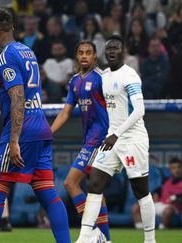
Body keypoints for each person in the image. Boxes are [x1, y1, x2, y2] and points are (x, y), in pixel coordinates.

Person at [0, 9, 70, 243]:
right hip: (41, 128)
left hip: (21, 132)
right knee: (49, 195)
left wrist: (14, 140)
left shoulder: (5, 58)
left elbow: (17, 96)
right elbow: (13, 90)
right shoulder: (27, 51)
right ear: (12, 28)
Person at [76, 35, 156, 243]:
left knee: (141, 190)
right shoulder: (105, 76)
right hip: (112, 139)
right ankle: (85, 237)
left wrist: (116, 134)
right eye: (108, 48)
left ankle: (150, 240)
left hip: (132, 140)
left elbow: (140, 110)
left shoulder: (130, 76)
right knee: (94, 183)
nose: (111, 51)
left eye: (116, 48)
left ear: (123, 51)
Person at [51, 40, 111, 242]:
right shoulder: (75, 81)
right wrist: (49, 133)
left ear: (95, 56)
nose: (84, 56)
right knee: (96, 190)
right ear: (77, 56)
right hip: (89, 139)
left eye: (88, 53)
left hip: (100, 139)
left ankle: (92, 230)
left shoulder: (103, 79)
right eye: (81, 53)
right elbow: (66, 112)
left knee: (70, 182)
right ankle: (104, 237)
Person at [132, 157, 182, 229]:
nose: (176, 170)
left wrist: (177, 197)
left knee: (168, 211)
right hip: (161, 205)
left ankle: (162, 230)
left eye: (178, 167)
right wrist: (155, 194)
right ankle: (139, 229)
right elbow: (158, 190)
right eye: (174, 168)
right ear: (170, 169)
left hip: (176, 207)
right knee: (136, 207)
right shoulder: (166, 180)